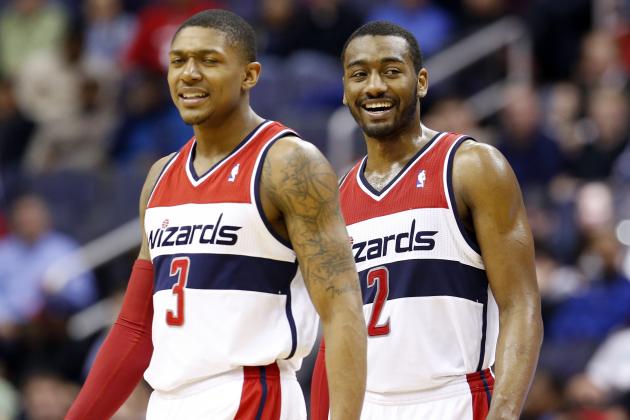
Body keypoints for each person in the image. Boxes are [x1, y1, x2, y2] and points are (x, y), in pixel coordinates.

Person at [66, 9, 366, 420]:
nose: (189, 74)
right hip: (167, 402)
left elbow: (342, 310)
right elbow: (134, 328)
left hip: (250, 395)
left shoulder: (288, 163)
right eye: (178, 61)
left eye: (209, 61)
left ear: (249, 75)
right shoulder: (160, 177)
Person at [310, 21, 543, 419]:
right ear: (346, 90)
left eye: (391, 71)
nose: (375, 86)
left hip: (453, 400)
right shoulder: (336, 196)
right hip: (366, 406)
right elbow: (335, 333)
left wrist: (504, 412)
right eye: (359, 75)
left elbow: (521, 305)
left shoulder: (472, 167)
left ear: (420, 82)